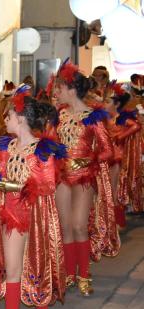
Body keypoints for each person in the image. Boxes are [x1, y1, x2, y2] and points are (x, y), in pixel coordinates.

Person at [0, 85, 67, 309]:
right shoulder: (5, 147)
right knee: (13, 268)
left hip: (37, 215)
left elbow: (49, 184)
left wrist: (16, 186)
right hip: (11, 213)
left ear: (21, 119)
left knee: (39, 266)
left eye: (7, 116)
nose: (4, 120)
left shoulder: (43, 150)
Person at [52, 59, 115, 296]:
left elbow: (109, 151)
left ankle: (84, 275)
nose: (56, 92)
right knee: (66, 227)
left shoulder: (93, 117)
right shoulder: (59, 115)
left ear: (72, 90)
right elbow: (51, 143)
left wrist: (88, 160)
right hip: (62, 176)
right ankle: (69, 274)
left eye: (60, 87)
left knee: (79, 225)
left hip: (84, 176)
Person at [103, 82, 142, 221]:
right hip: (106, 156)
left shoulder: (121, 118)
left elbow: (136, 125)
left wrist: (120, 136)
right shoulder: (105, 118)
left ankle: (114, 220)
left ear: (117, 104)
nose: (104, 104)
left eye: (107, 101)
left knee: (113, 189)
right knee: (106, 188)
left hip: (117, 157)